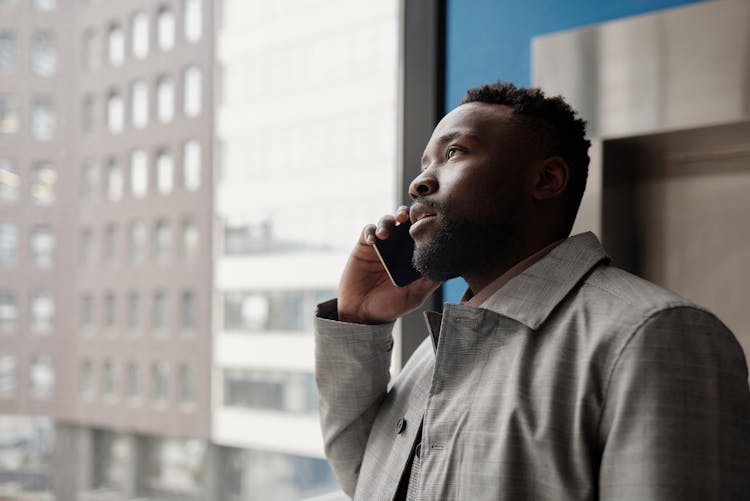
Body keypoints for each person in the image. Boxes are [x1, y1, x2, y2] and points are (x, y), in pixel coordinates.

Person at [314, 82, 750, 501]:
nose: (420, 183)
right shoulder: (436, 354)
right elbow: (364, 479)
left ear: (547, 180)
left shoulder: (651, 336)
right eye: (424, 163)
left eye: (453, 153)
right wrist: (359, 320)